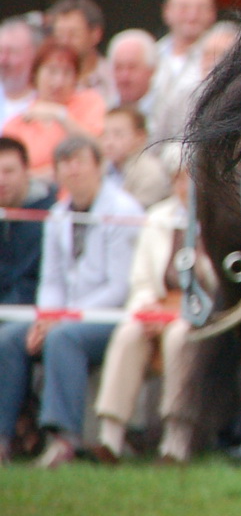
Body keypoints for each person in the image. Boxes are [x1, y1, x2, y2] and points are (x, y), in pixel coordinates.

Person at [0, 136, 142, 466]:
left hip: (110, 317)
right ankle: (4, 438)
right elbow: (51, 280)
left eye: (79, 161)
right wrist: (46, 316)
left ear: (99, 166)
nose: (72, 170)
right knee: (9, 338)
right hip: (65, 316)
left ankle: (64, 439)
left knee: (63, 339)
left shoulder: (122, 210)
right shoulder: (57, 216)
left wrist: (61, 319)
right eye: (64, 163)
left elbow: (120, 287)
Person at [93, 155, 210, 462]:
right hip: (159, 306)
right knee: (129, 334)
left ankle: (176, 439)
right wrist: (147, 311)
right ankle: (111, 437)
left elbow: (218, 284)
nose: (187, 187)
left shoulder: (215, 220)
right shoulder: (158, 217)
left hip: (198, 311)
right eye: (181, 179)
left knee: (179, 337)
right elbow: (141, 279)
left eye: (194, 179)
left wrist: (201, 266)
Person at [1, 42, 107, 177]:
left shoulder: (90, 102)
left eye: (67, 73)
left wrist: (60, 115)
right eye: (52, 72)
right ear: (35, 75)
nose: (59, 81)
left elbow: (98, 151)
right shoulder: (16, 124)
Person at [148, 0, 217, 141]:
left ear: (212, 12)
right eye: (183, 8)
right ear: (167, 11)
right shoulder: (150, 55)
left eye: (200, 8)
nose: (192, 16)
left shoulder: (222, 57)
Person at [150, 20, 239, 146]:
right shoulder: (183, 96)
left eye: (220, 54)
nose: (211, 60)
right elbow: (158, 141)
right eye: (207, 54)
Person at [0, 136, 55, 305]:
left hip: (29, 310)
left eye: (9, 171)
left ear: (26, 170)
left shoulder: (49, 215)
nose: (1, 181)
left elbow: (30, 284)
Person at [99, 107, 171, 208]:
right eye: (105, 135)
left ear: (140, 137)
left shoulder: (150, 172)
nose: (109, 143)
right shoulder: (101, 169)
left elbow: (136, 213)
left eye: (118, 134)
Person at [46, 0, 112, 104]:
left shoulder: (112, 78)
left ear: (96, 35)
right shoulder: (45, 79)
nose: (65, 42)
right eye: (60, 35)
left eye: (73, 35)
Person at [0, 18, 42, 128]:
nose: (3, 60)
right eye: (0, 51)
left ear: (35, 55)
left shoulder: (46, 99)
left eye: (13, 52)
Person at [106, 30, 158, 115]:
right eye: (118, 68)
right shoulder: (104, 108)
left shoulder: (167, 111)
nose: (124, 76)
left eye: (132, 68)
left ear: (151, 70)